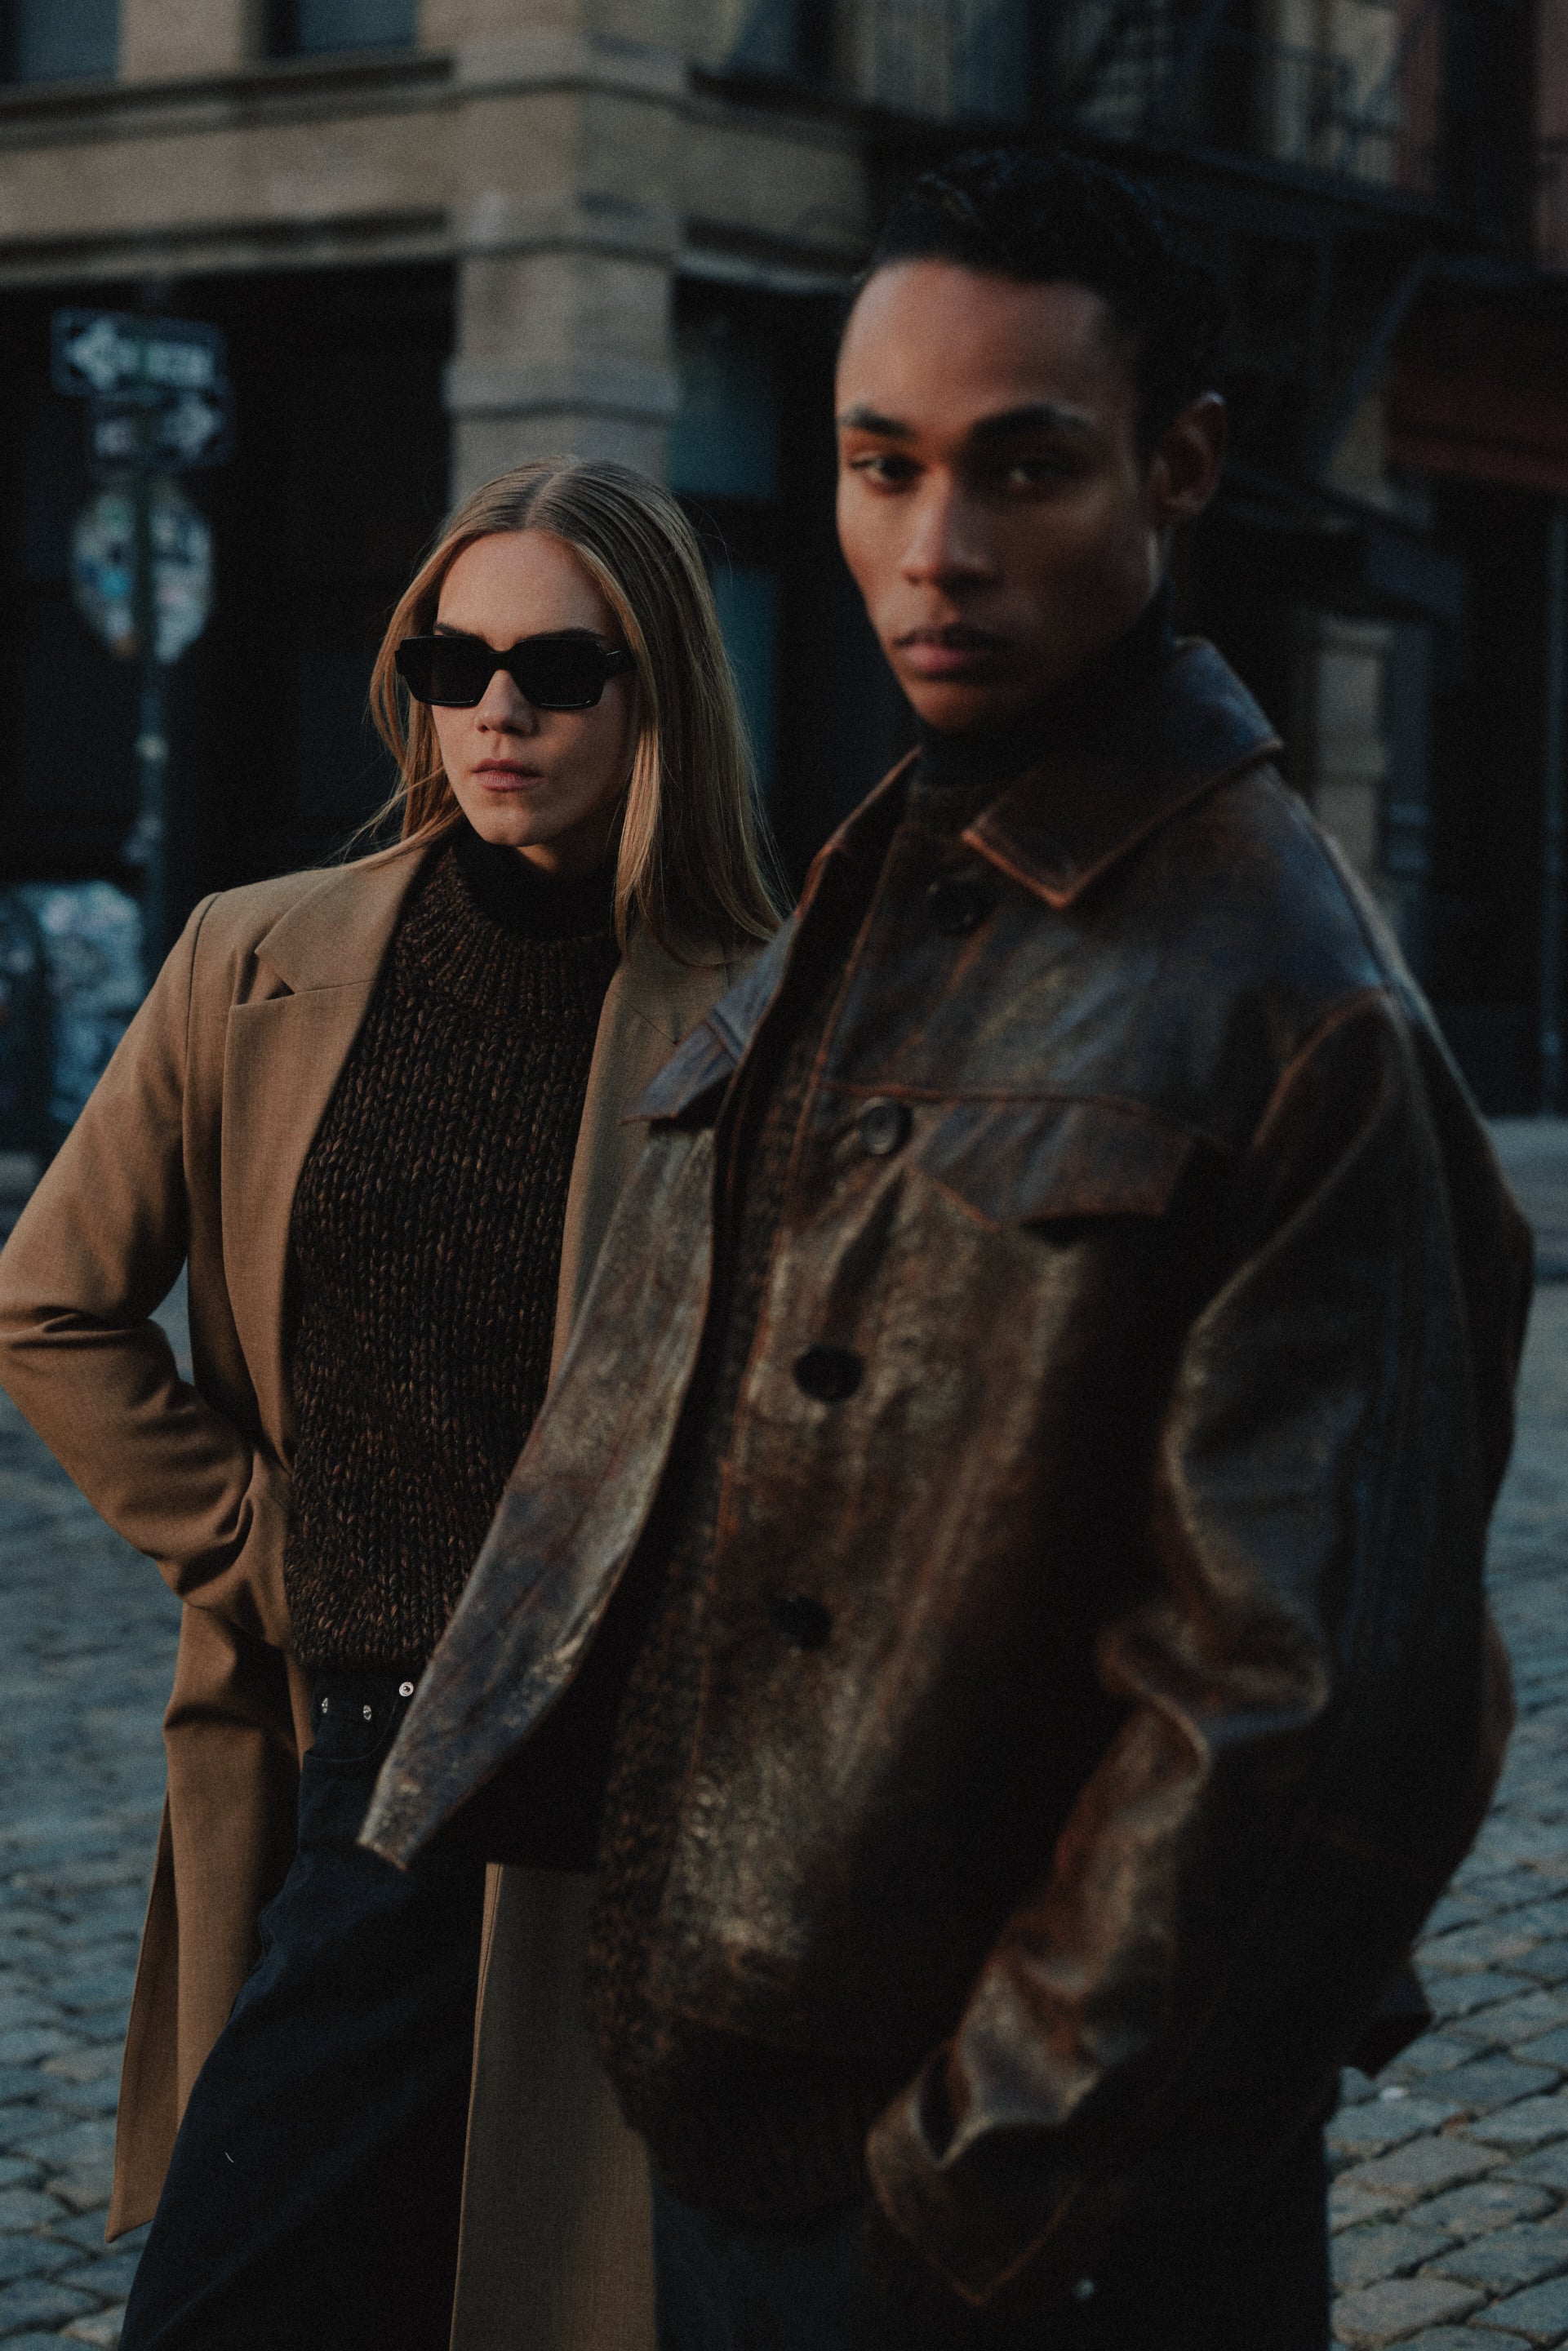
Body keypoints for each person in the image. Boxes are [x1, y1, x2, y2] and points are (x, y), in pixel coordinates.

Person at [365, 153, 1530, 2350]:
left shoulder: (1292, 998)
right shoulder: (892, 867)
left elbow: (1301, 1725)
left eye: (1023, 468)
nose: (935, 548)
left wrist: (963, 2195)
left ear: (1176, 467)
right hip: (753, 2128)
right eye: (879, 466)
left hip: (1003, 2226)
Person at [0, 456, 780, 2350]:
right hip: (354, 1750)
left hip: (615, 1781)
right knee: (238, 2292)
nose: (497, 708)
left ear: (657, 686)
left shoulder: (767, 1012)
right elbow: (53, 1305)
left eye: (557, 669)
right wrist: (269, 1549)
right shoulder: (255, 957)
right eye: (453, 661)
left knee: (533, 2289)